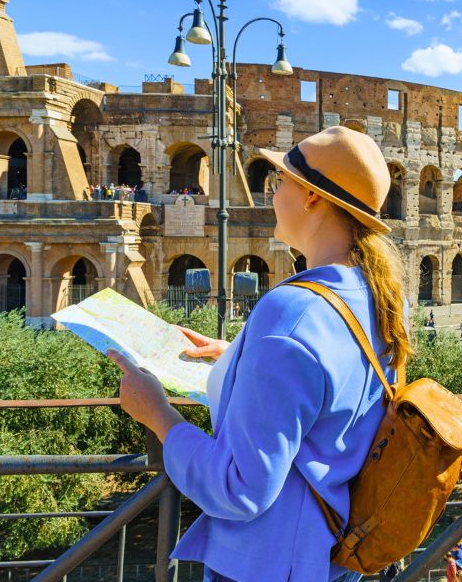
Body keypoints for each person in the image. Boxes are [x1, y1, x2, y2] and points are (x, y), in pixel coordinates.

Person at [108, 127, 407, 582]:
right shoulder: (379, 296)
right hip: (334, 554)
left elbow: (241, 489)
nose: (273, 193)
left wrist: (158, 415)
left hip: (270, 563)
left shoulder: (290, 313)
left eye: (281, 181)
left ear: (310, 197)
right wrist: (238, 356)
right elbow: (329, 385)